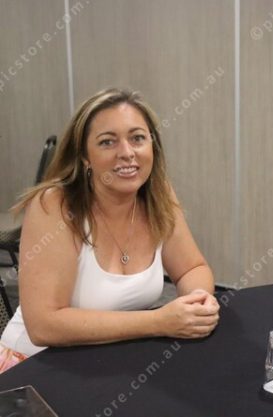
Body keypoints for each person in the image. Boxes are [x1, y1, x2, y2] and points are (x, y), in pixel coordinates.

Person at [0, 88, 219, 372]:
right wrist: (159, 321)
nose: (127, 153)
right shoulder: (55, 205)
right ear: (85, 156)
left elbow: (192, 268)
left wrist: (197, 301)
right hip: (33, 368)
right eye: (107, 142)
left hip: (110, 361)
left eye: (137, 138)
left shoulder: (158, 195)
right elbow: (44, 325)